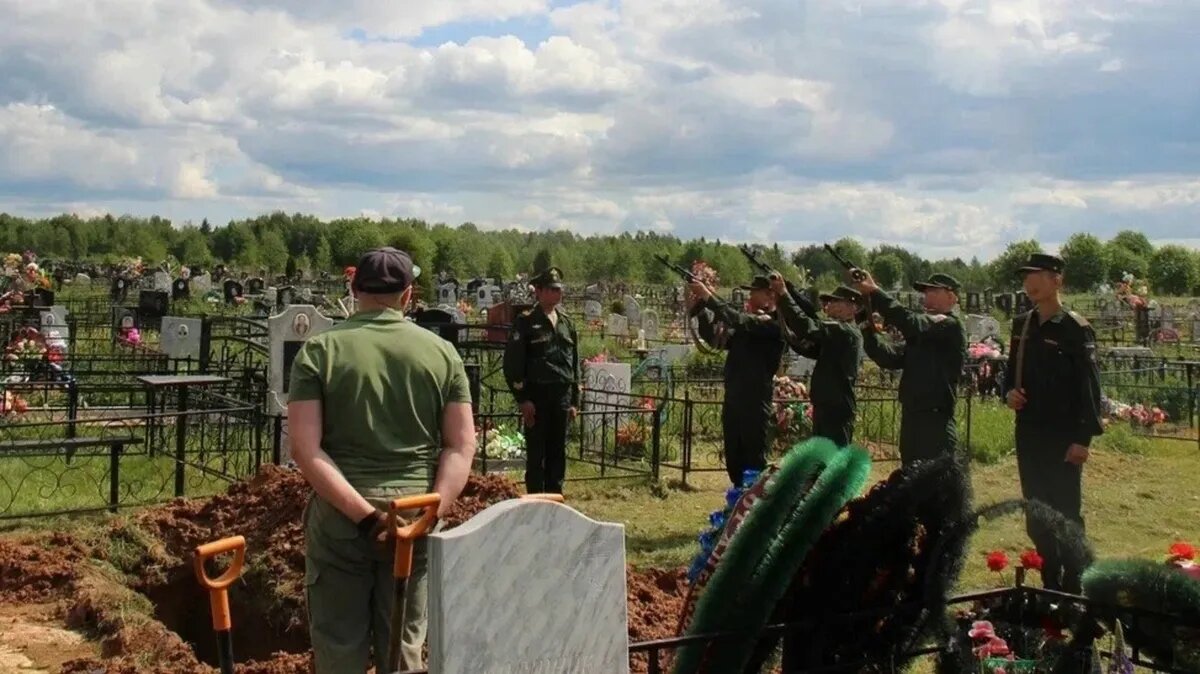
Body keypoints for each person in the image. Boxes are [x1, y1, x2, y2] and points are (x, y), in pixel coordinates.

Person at [287, 246, 477, 673]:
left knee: (339, 650)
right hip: (414, 515)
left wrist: (367, 519)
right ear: (408, 295)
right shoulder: (442, 354)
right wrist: (430, 514)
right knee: (403, 648)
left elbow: (304, 449)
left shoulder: (320, 352)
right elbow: (461, 445)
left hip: (341, 521)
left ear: (354, 290)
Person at [1003, 253, 1103, 594]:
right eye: (1025, 277)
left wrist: (1083, 439)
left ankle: (1076, 583)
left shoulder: (1075, 328)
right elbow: (1010, 374)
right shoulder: (1022, 324)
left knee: (1065, 511)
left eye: (1038, 275)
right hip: (1029, 432)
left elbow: (1089, 387)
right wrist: (1009, 393)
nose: (1029, 283)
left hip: (1063, 436)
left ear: (1057, 280)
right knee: (1036, 511)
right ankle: (1050, 578)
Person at [853, 271, 967, 465]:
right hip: (912, 417)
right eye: (926, 292)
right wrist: (865, 326)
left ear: (952, 297)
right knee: (910, 476)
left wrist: (874, 291)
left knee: (934, 478)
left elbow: (910, 322)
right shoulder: (924, 333)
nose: (927, 296)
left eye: (934, 291)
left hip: (935, 421)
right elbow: (888, 357)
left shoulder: (950, 324)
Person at [688, 275, 787, 486]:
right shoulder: (749, 323)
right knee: (733, 455)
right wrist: (700, 309)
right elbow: (715, 339)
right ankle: (737, 496)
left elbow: (738, 320)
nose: (750, 295)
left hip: (755, 400)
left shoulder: (774, 324)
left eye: (754, 292)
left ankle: (753, 499)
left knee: (753, 458)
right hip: (734, 398)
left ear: (770, 295)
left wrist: (708, 295)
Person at [503, 267, 580, 494]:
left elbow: (574, 363)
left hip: (561, 397)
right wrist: (522, 399)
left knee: (558, 453)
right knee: (537, 454)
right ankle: (536, 500)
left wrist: (574, 400)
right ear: (539, 291)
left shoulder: (566, 323)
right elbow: (513, 363)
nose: (557, 293)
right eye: (552, 289)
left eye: (559, 289)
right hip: (537, 397)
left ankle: (555, 498)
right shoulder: (526, 321)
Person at [772, 277, 864, 447]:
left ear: (852, 307)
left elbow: (807, 325)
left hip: (836, 409)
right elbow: (807, 345)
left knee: (834, 457)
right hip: (826, 405)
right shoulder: (836, 332)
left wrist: (784, 294)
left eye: (836, 301)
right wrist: (789, 293)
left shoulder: (845, 331)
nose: (830, 305)